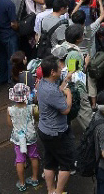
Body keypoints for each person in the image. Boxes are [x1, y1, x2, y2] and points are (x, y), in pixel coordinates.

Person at [35, 55, 74, 194]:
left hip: (44, 129)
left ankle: (51, 190)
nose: (62, 69)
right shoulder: (52, 91)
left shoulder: (41, 83)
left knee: (50, 161)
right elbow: (66, 109)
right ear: (52, 72)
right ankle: (58, 192)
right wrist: (69, 94)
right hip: (56, 133)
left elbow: (57, 92)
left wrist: (65, 81)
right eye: (59, 68)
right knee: (66, 163)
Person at [6, 82, 41, 192]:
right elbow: (36, 119)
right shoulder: (32, 108)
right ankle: (35, 178)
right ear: (26, 96)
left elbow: (9, 124)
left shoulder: (10, 110)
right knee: (33, 156)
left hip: (18, 136)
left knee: (19, 159)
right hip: (30, 135)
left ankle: (22, 183)